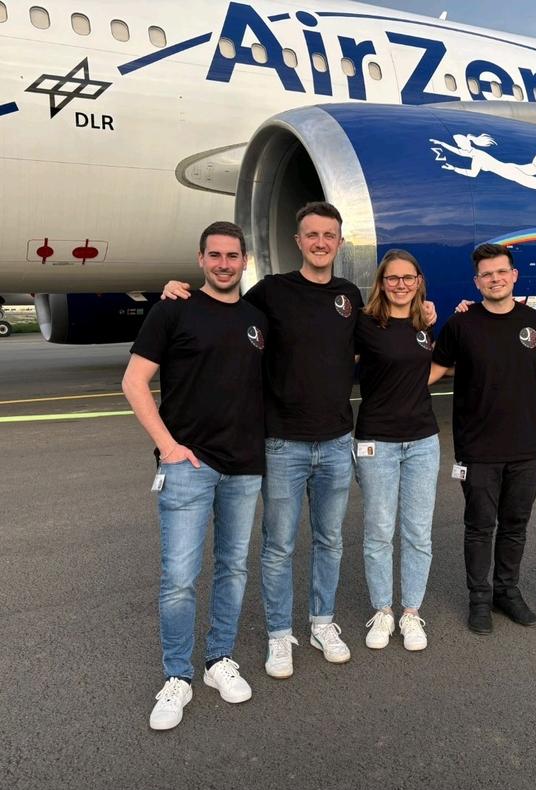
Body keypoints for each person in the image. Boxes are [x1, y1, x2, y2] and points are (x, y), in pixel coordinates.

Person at [162, 203, 437, 678]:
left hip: (335, 441)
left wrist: (425, 314)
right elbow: (223, 305)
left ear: (339, 243)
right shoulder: (271, 291)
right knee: (279, 545)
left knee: (330, 541)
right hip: (282, 443)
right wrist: (178, 294)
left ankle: (322, 622)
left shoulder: (350, 296)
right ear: (299, 240)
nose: (320, 243)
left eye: (329, 235)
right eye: (312, 234)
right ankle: (278, 634)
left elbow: (387, 331)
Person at [122, 221, 266, 730]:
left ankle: (218, 660)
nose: (225, 263)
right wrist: (168, 448)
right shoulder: (173, 309)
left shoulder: (257, 318)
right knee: (180, 579)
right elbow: (134, 381)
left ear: (245, 260)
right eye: (215, 255)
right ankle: (177, 677)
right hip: (188, 465)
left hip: (245, 465)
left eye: (233, 255)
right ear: (201, 259)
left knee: (232, 569)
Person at [430, 243, 536, 634]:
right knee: (480, 525)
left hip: (526, 446)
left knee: (516, 524)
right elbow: (433, 369)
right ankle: (478, 598)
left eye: (501, 272)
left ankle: (506, 592)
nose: (495, 279)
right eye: (486, 274)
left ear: (514, 276)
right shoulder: (461, 324)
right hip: (477, 448)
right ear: (476, 281)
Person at [354, 250, 439, 652]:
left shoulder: (426, 323)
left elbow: (435, 367)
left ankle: (410, 613)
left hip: (423, 440)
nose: (401, 285)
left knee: (418, 532)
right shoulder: (364, 323)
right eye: (393, 278)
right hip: (376, 441)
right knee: (379, 531)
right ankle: (383, 611)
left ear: (419, 281)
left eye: (408, 278)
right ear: (382, 282)